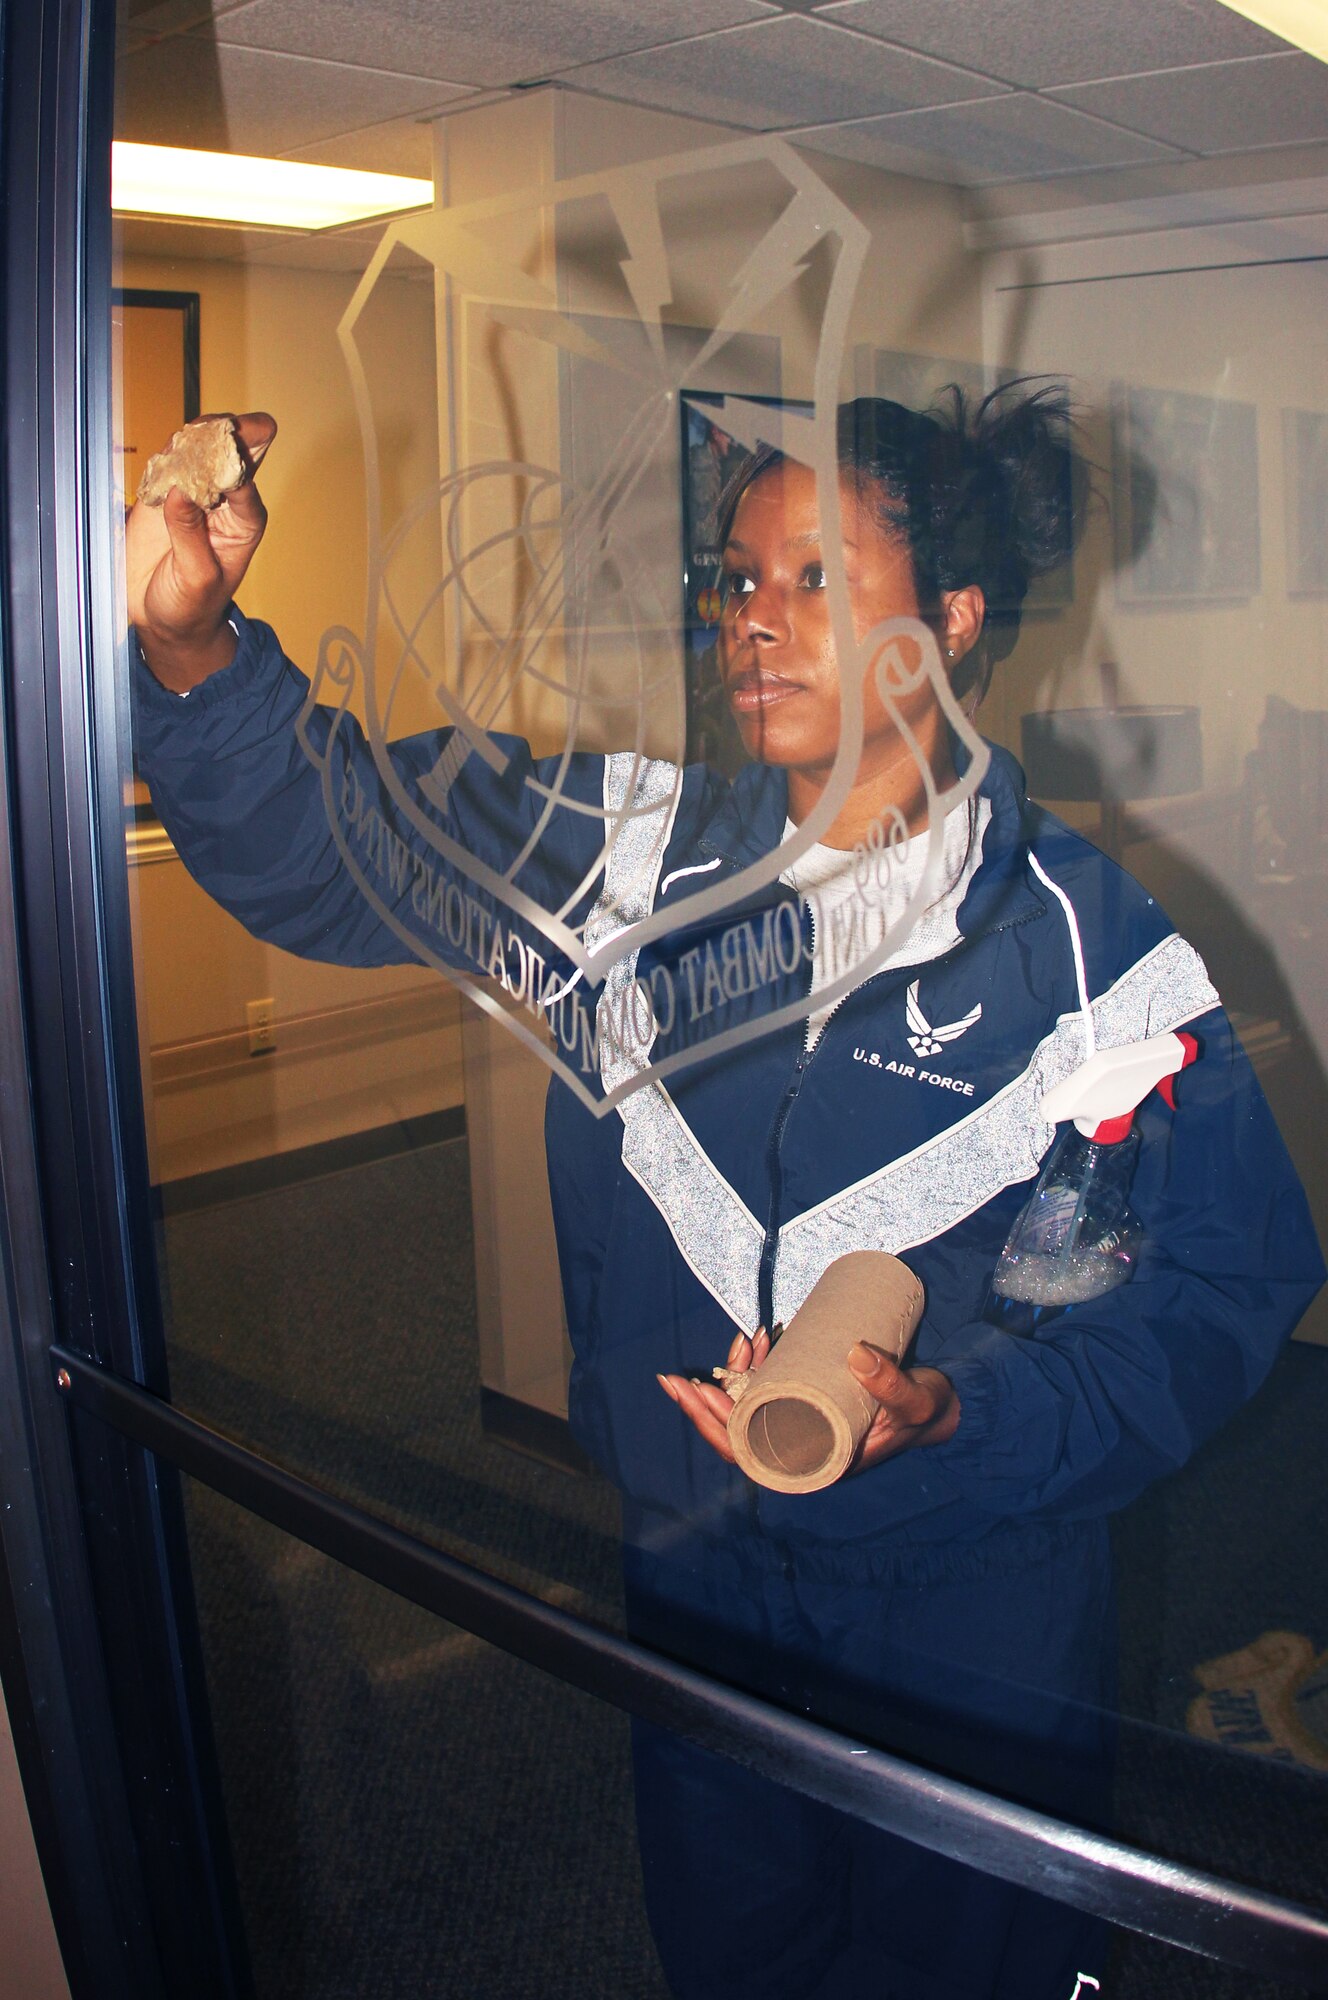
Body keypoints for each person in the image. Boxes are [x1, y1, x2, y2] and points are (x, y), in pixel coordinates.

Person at [126, 389, 1323, 2000]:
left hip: (974, 1593)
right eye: (739, 579)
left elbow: (1201, 1304)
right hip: (697, 1564)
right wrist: (198, 654)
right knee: (735, 1947)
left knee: (960, 1964)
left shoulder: (1098, 965)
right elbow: (334, 839)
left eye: (818, 577)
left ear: (955, 620)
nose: (756, 622)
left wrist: (961, 1420)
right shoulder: (625, 864)